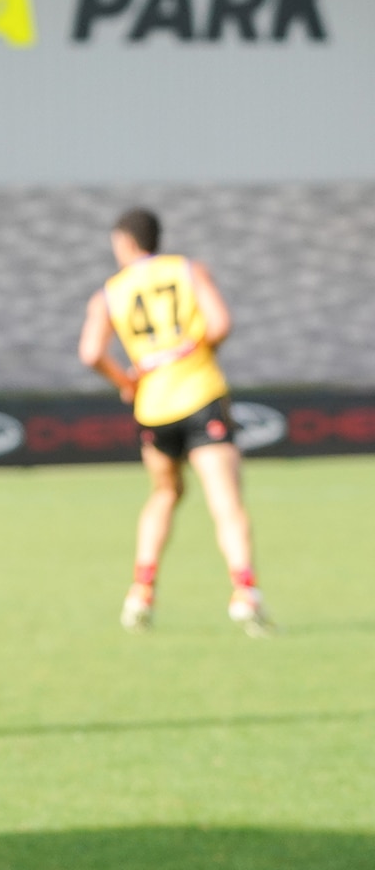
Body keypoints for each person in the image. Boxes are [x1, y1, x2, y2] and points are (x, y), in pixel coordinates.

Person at [77, 207, 272, 637]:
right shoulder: (186, 269)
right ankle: (244, 592)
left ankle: (141, 592)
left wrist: (126, 380)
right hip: (200, 394)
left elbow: (91, 353)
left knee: (165, 493)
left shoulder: (109, 293)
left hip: (153, 407)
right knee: (225, 500)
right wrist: (200, 349)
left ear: (124, 242)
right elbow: (220, 324)